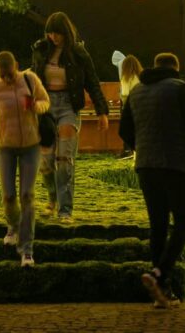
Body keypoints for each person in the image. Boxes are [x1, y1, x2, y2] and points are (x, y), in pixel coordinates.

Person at [119, 52, 185, 309]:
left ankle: (162, 292)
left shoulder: (137, 91)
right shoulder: (179, 88)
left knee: (158, 226)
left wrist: (142, 145)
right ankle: (159, 273)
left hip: (146, 166)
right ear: (175, 68)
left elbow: (123, 130)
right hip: (175, 164)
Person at [30, 11, 110, 224]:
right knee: (45, 162)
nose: (53, 38)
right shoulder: (40, 50)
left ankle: (65, 209)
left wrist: (102, 111)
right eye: (50, 33)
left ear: (66, 32)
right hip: (45, 107)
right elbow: (33, 78)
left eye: (57, 34)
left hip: (68, 106)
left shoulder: (78, 53)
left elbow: (92, 82)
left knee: (65, 160)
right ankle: (52, 199)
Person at [0, 50, 50, 267]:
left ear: (16, 65)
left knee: (27, 195)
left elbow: (46, 100)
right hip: (5, 147)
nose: (7, 79)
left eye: (9, 73)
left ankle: (27, 249)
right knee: (9, 195)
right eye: (2, 75)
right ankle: (13, 225)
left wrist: (37, 107)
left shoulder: (30, 79)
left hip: (31, 146)